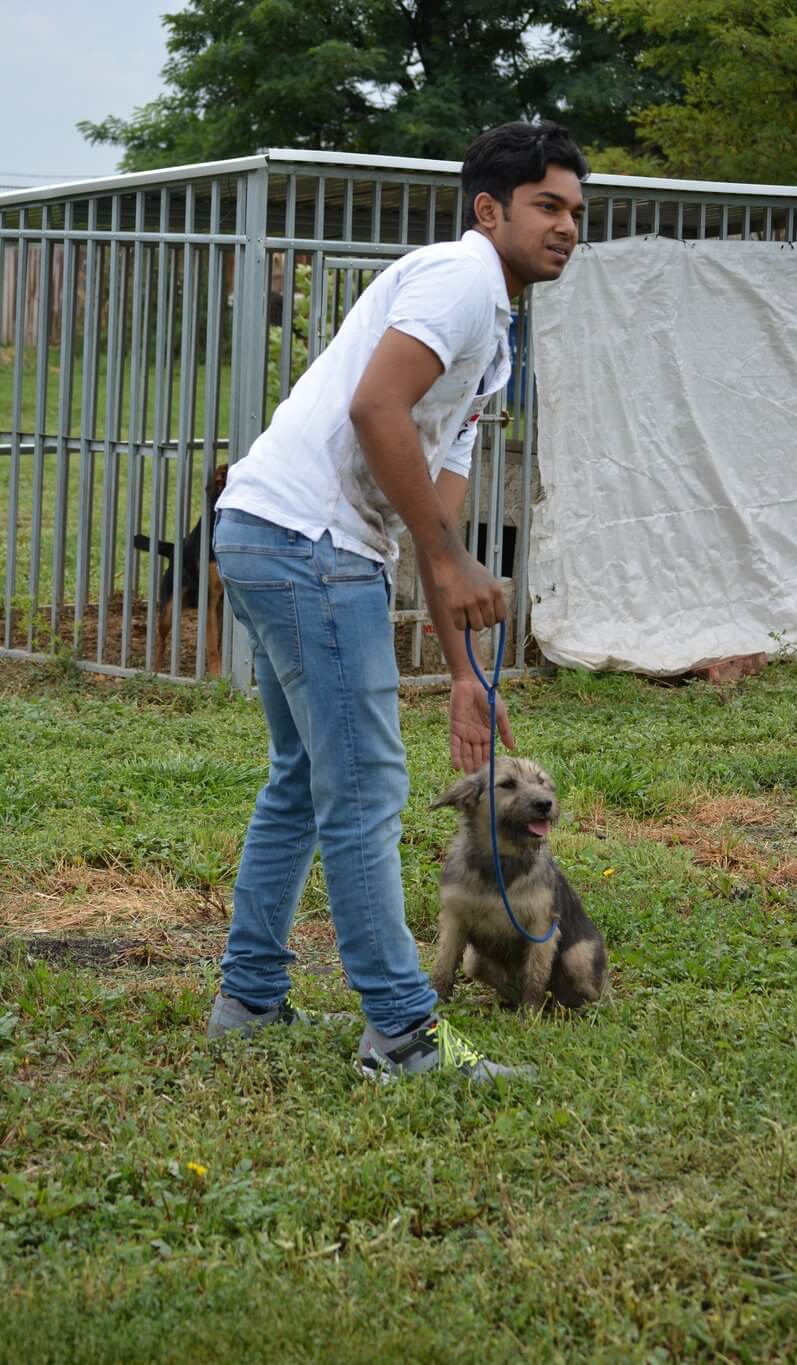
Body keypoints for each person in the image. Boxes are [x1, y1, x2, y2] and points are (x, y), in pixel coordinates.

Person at [207, 121, 588, 1081]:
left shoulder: (492, 337)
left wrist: (462, 674)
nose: (566, 227)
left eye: (576, 212)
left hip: (269, 532)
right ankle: (402, 1034)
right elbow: (374, 409)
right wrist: (449, 559)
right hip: (307, 541)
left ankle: (248, 999)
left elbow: (436, 514)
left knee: (302, 778)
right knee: (366, 791)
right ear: (489, 210)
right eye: (546, 206)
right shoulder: (459, 280)